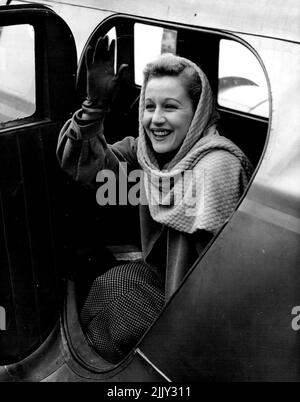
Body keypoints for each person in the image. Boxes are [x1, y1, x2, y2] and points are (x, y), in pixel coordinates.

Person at [57, 36, 253, 363]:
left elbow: (220, 283)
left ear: (198, 112)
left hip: (198, 311)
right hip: (162, 280)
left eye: (171, 107)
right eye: (150, 106)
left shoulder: (217, 167)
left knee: (117, 312)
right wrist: (94, 109)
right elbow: (88, 167)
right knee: (105, 285)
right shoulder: (148, 154)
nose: (155, 119)